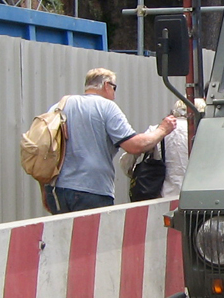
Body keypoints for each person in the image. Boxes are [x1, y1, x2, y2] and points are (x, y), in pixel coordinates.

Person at [45, 68, 177, 214]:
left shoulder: (58, 108)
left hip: (57, 191)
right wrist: (163, 130)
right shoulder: (106, 107)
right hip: (92, 190)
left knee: (64, 236)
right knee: (93, 236)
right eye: (114, 88)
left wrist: (45, 191)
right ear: (107, 85)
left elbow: (44, 151)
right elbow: (134, 145)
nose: (114, 96)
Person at [121, 98, 202, 200]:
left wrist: (135, 173)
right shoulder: (204, 132)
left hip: (163, 198)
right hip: (197, 198)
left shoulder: (157, 130)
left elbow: (126, 163)